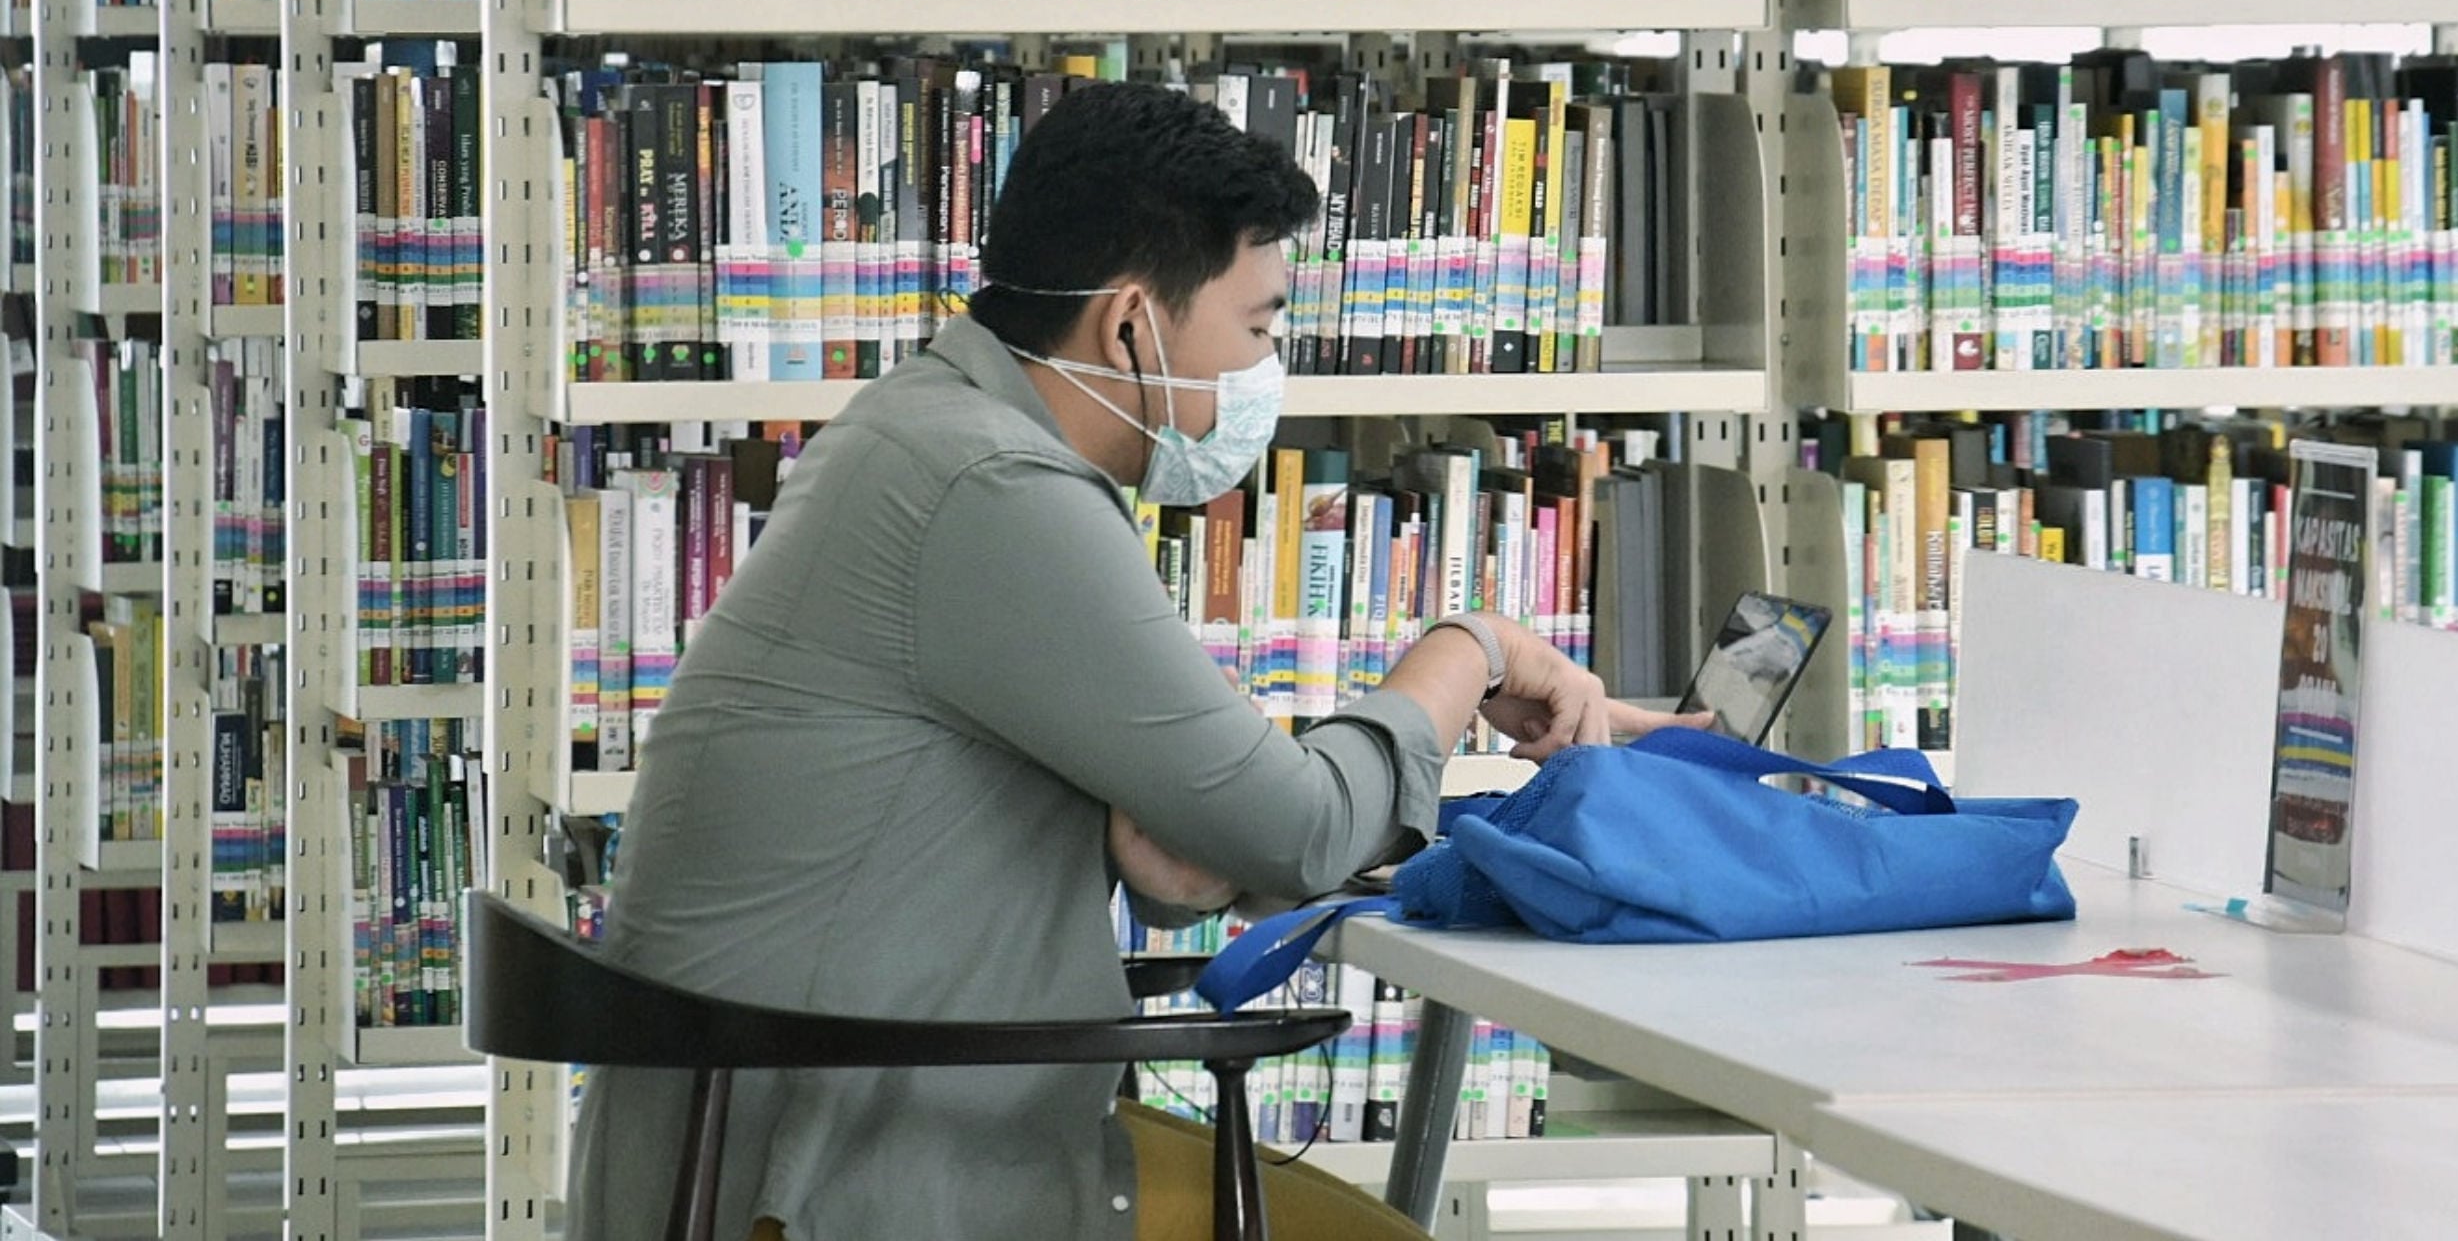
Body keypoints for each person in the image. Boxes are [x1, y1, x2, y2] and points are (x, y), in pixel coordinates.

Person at [566, 78, 1685, 1240]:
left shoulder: (924, 431)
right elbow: (1294, 828)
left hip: (813, 1120)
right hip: (846, 1171)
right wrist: (1473, 647)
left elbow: (1195, 840)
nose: (1264, 369)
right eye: (1256, 327)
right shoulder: (992, 488)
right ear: (1130, 323)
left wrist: (1180, 832)